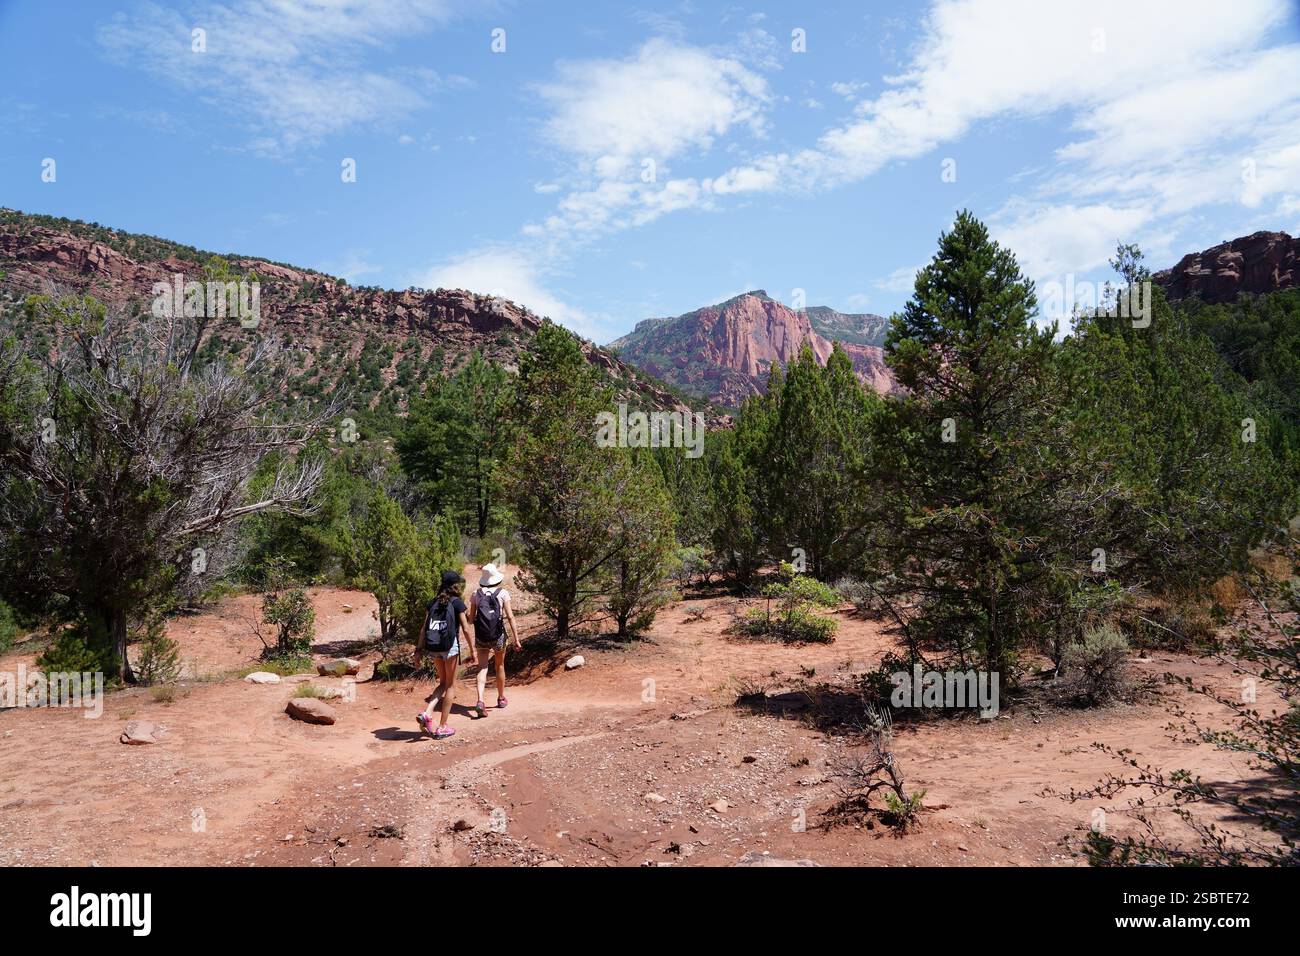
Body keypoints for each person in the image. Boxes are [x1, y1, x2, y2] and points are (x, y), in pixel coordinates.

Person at [414, 570, 472, 739]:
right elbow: (466, 628)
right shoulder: (457, 603)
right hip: (450, 648)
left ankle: (427, 713)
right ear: (455, 585)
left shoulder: (432, 602)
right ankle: (442, 726)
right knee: (450, 687)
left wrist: (418, 649)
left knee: (442, 683)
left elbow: (424, 629)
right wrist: (472, 650)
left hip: (434, 648)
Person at [467, 563, 521, 717]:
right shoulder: (503, 593)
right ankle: (501, 698)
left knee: (482, 668)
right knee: (499, 666)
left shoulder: (475, 594)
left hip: (482, 636)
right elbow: (510, 617)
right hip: (498, 636)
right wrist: (516, 639)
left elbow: (471, 620)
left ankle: (480, 700)